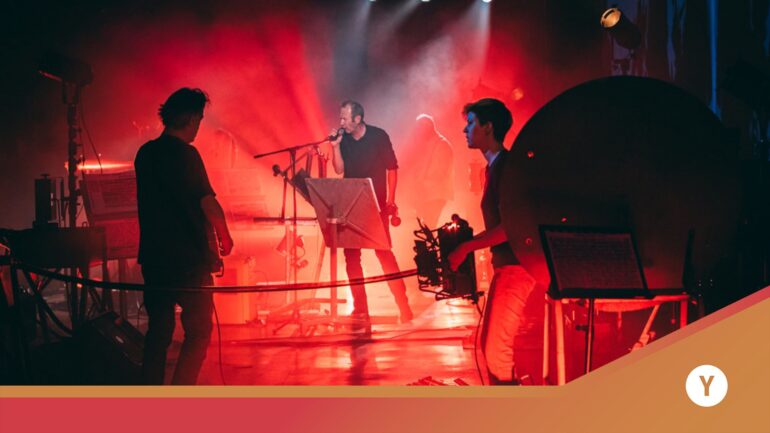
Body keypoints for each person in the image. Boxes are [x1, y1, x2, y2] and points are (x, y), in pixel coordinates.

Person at [134, 87, 234, 385]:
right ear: (190, 118)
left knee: (158, 333)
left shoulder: (145, 154)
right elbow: (207, 201)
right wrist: (225, 236)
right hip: (189, 259)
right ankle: (181, 393)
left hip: (154, 257)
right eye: (199, 119)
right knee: (199, 331)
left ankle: (149, 396)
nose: (199, 126)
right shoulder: (187, 155)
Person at [447, 98, 536, 385]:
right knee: (489, 346)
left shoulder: (506, 167)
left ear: (488, 127)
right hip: (506, 266)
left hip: (517, 267)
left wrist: (466, 247)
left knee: (497, 352)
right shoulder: (493, 168)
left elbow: (510, 227)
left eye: (471, 123)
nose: (465, 130)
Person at [328, 100, 413, 324]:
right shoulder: (343, 139)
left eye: (344, 118)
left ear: (357, 119)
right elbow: (339, 169)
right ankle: (360, 308)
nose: (341, 122)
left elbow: (392, 169)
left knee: (384, 255)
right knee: (351, 258)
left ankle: (403, 305)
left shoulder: (378, 136)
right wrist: (335, 147)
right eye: (340, 118)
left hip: (376, 206)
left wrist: (390, 201)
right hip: (351, 205)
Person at [405, 114, 454, 228]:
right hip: (426, 194)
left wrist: (421, 183)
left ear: (427, 128)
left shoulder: (442, 145)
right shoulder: (429, 144)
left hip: (435, 195)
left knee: (428, 226)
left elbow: (440, 173)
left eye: (419, 129)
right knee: (424, 228)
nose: (417, 132)